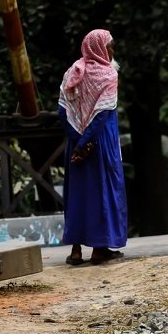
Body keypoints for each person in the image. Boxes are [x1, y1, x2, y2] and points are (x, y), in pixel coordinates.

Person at [58, 29, 127, 265]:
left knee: (77, 193)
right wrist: (87, 143)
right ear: (99, 48)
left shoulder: (73, 72)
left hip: (75, 143)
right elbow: (102, 115)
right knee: (103, 191)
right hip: (101, 143)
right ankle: (99, 249)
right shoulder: (109, 75)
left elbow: (63, 111)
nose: (112, 50)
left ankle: (76, 251)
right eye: (110, 46)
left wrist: (78, 143)